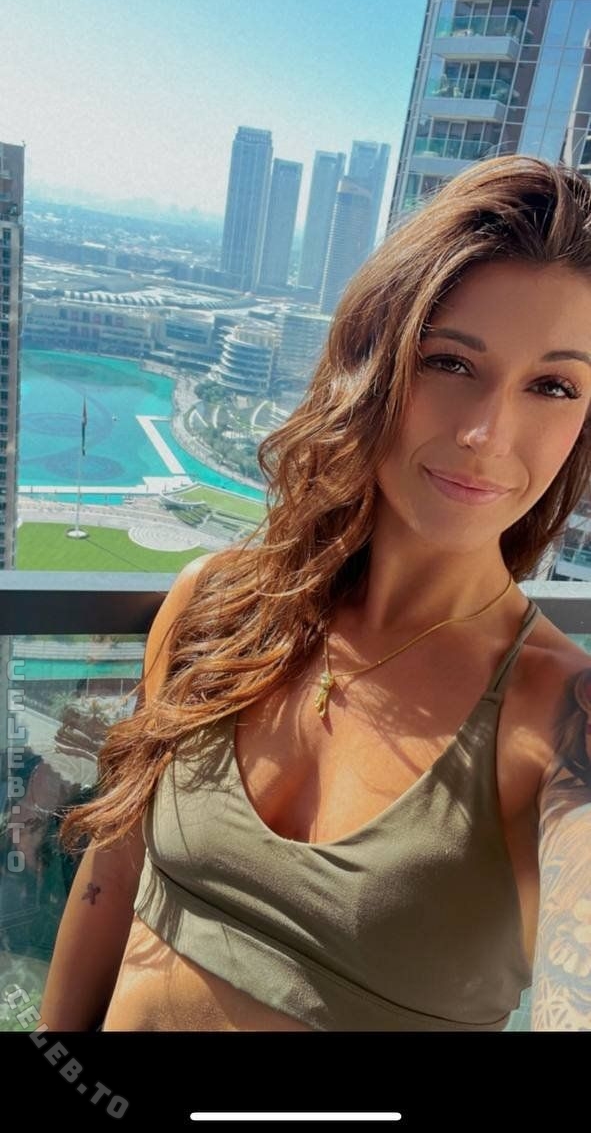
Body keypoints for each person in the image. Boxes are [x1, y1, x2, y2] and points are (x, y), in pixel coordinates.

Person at [40, 155, 591, 1033]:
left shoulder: (560, 720)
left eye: (553, 386)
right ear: (372, 367)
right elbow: (112, 883)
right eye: (450, 362)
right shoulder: (216, 608)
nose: (488, 433)